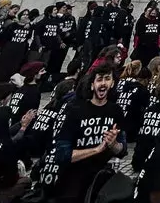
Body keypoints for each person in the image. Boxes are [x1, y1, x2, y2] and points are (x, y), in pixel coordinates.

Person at [51, 64, 126, 202]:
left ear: (112, 83)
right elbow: (62, 154)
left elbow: (121, 150)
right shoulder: (75, 111)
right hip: (72, 180)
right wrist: (96, 150)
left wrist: (113, 144)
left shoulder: (116, 111)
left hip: (99, 181)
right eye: (99, 79)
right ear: (92, 85)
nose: (103, 83)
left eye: (107, 79)